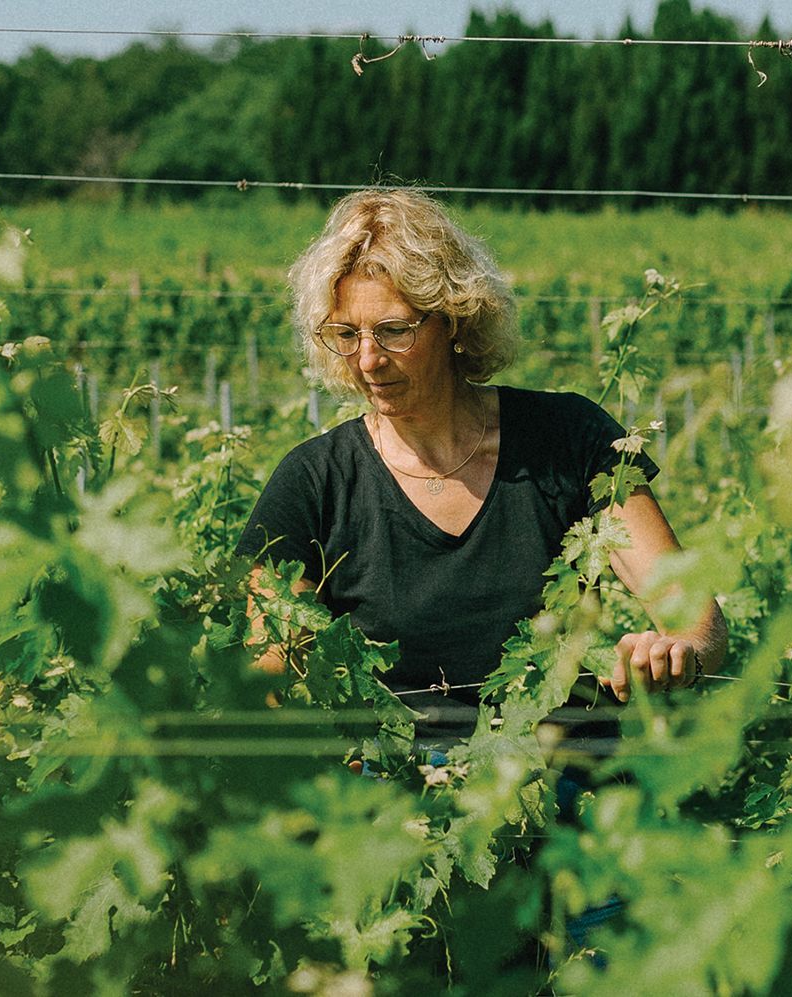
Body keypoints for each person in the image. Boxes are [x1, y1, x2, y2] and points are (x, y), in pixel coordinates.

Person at [236, 188, 727, 746]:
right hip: (394, 783)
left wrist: (675, 651)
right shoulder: (313, 482)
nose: (368, 360)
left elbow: (697, 621)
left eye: (394, 330)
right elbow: (269, 681)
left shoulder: (568, 440)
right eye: (346, 335)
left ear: (454, 320)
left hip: (565, 775)